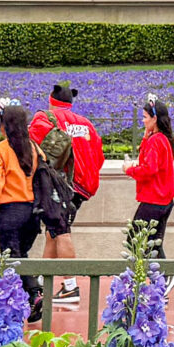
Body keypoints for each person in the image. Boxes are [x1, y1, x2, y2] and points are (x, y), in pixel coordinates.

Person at [0, 98, 45, 323]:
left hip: (11, 213)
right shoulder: (34, 148)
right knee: (20, 256)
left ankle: (22, 299)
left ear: (4, 125)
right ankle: (31, 296)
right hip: (33, 215)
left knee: (11, 260)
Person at [29, 82, 104, 261]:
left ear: (51, 100)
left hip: (59, 187)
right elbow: (99, 157)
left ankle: (71, 286)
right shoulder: (86, 124)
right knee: (53, 231)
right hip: (83, 188)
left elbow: (29, 149)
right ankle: (42, 278)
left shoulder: (44, 118)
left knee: (61, 231)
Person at [124, 92, 174, 261]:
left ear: (154, 119)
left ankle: (159, 277)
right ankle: (161, 279)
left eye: (145, 117)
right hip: (164, 200)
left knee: (135, 241)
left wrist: (129, 170)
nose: (143, 120)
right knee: (153, 244)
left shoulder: (156, 141)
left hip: (153, 200)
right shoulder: (162, 139)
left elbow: (149, 169)